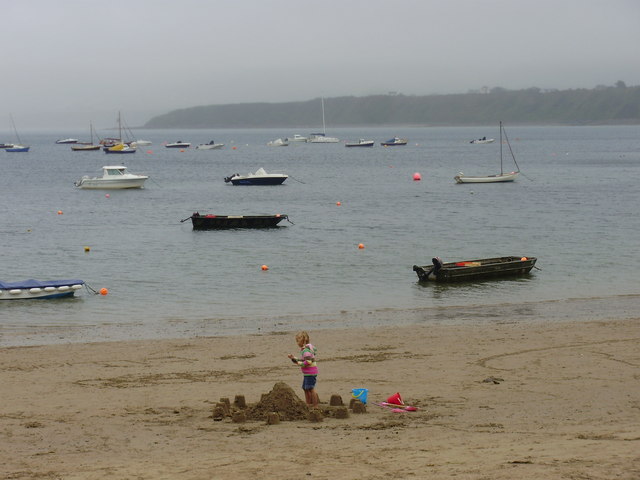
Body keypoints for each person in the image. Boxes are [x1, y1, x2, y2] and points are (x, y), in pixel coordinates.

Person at [288, 331, 319, 408]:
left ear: (303, 341)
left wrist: (299, 364)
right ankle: (308, 403)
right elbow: (303, 359)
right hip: (308, 373)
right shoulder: (306, 349)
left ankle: (315, 405)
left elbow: (308, 361)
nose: (297, 343)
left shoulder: (306, 351)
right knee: (305, 388)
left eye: (298, 341)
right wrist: (293, 358)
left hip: (310, 372)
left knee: (311, 388)